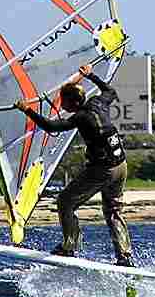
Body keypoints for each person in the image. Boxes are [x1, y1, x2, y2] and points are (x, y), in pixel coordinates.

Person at [14, 64, 134, 266]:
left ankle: (70, 246)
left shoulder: (81, 117)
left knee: (65, 202)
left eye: (63, 101)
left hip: (103, 170)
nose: (61, 105)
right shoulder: (98, 102)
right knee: (113, 211)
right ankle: (124, 256)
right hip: (121, 166)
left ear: (72, 102)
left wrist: (28, 110)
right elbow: (110, 91)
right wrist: (90, 75)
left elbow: (52, 126)